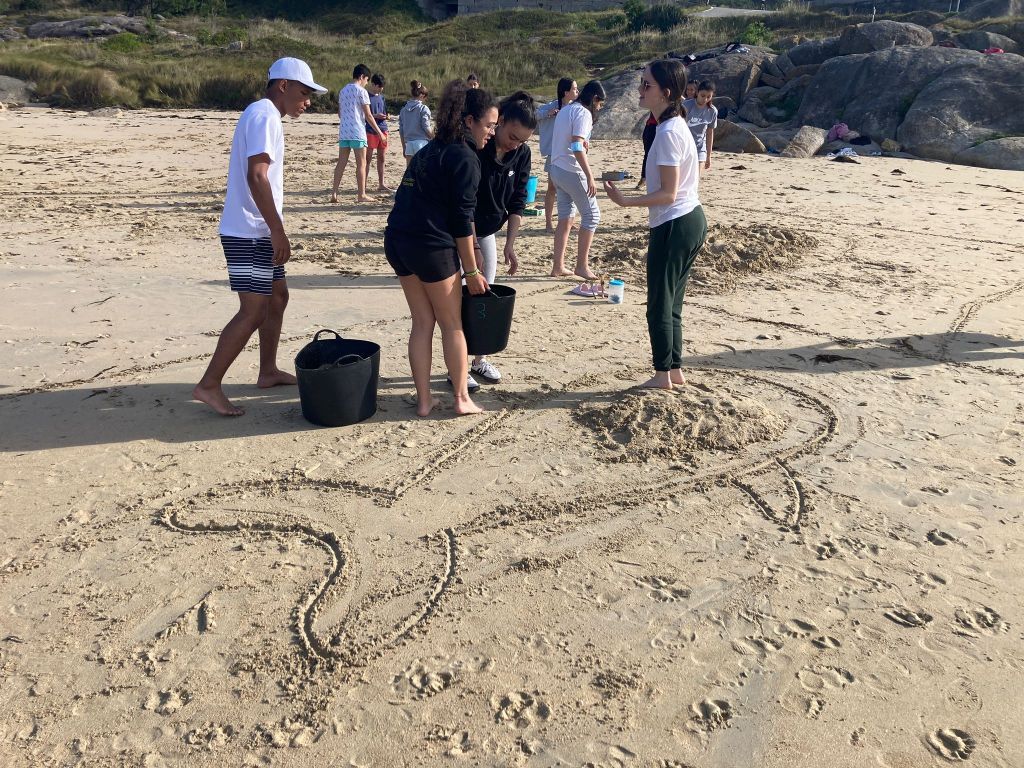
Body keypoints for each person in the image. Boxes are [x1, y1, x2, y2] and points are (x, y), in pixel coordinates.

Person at [193, 58, 327, 416]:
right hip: (250, 231)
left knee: (278, 297)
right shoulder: (265, 115)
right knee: (252, 311)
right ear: (282, 85)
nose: (308, 101)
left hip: (257, 229)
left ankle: (267, 371)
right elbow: (257, 176)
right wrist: (277, 230)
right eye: (304, 92)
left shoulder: (263, 114)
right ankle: (208, 385)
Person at [383, 80, 498, 417]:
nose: (492, 132)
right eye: (489, 125)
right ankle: (462, 399)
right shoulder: (465, 157)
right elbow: (462, 219)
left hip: (399, 239)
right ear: (468, 121)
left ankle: (424, 401)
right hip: (430, 246)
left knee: (422, 322)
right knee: (452, 324)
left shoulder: (430, 150)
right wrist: (473, 271)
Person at [603, 59, 707, 390]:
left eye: (646, 85)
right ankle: (674, 371)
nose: (640, 89)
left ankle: (663, 374)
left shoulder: (668, 132)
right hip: (688, 219)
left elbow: (668, 192)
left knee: (660, 304)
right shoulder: (674, 127)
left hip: (676, 222)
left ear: (664, 93)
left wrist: (625, 201)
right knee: (672, 302)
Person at [468, 91, 535, 387]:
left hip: (489, 231)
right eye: (512, 136)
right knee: (461, 298)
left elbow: (519, 200)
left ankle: (479, 360)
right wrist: (471, 248)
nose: (515, 144)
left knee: (487, 297)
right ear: (500, 122)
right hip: (461, 230)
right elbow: (464, 203)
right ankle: (455, 366)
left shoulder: (522, 154)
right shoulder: (476, 148)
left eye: (522, 140)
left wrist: (510, 243)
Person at [549, 79, 605, 280]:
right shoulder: (584, 112)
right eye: (599, 103)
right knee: (592, 216)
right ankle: (581, 265)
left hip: (556, 168)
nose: (599, 107)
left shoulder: (567, 109)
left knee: (566, 218)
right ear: (594, 98)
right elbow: (576, 146)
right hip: (570, 169)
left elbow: (571, 139)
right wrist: (590, 176)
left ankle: (558, 266)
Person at [331, 64, 386, 204]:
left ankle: (334, 193)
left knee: (341, 163)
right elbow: (368, 115)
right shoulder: (361, 91)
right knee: (361, 164)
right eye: (366, 79)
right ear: (362, 77)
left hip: (344, 131)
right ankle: (361, 194)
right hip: (357, 132)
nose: (367, 82)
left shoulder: (343, 90)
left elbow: (340, 113)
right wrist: (379, 132)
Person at [536, 77, 578, 233]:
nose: (577, 91)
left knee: (570, 188)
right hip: (554, 153)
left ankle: (569, 221)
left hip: (571, 153)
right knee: (552, 188)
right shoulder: (553, 106)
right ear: (566, 92)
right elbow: (535, 114)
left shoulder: (576, 107)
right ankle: (548, 223)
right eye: (574, 89)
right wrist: (549, 113)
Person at [364, 73, 392, 193]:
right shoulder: (366, 96)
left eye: (382, 87)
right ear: (373, 84)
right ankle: (363, 183)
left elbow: (384, 111)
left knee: (382, 158)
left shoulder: (382, 97)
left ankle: (381, 183)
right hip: (370, 130)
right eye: (379, 86)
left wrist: (387, 116)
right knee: (367, 159)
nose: (381, 89)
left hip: (383, 128)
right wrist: (375, 116)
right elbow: (365, 115)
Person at [683, 80, 717, 172]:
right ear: (697, 92)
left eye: (708, 97)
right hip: (684, 147)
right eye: (703, 96)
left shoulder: (712, 111)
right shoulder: (686, 106)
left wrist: (708, 156)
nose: (705, 99)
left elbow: (710, 133)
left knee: (695, 178)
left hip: (700, 148)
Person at [399, 80, 433, 166]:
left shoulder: (403, 110)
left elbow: (401, 131)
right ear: (422, 95)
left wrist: (404, 147)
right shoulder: (423, 108)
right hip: (421, 143)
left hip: (409, 144)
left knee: (410, 174)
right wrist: (434, 137)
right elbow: (426, 127)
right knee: (422, 172)